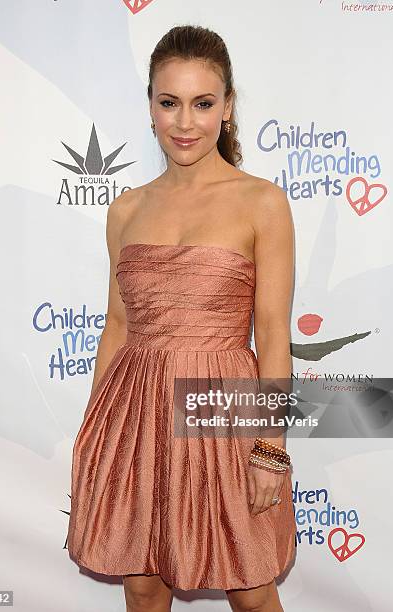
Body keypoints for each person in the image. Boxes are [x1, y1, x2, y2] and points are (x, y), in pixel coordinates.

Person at [67, 24, 296, 612]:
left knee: (248, 587)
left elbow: (272, 334)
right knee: (142, 584)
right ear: (150, 108)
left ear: (227, 108)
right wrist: (95, 434)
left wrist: (270, 446)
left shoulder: (261, 203)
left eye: (202, 103)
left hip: (221, 412)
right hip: (134, 412)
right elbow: (117, 326)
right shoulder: (126, 209)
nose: (185, 122)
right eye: (169, 103)